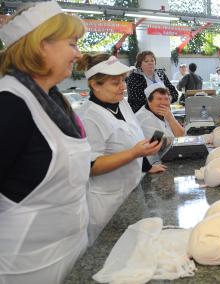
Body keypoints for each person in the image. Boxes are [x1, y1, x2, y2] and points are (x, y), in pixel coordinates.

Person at [0, 2, 90, 283]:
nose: (78, 54)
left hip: (70, 251)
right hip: (27, 264)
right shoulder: (10, 104)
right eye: (72, 44)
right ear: (41, 45)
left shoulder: (51, 99)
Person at [76, 54, 165, 244]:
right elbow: (91, 166)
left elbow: (131, 138)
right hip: (107, 204)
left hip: (131, 192)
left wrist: (146, 165)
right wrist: (134, 153)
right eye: (115, 83)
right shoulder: (89, 117)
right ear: (95, 84)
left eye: (123, 81)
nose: (123, 87)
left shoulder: (121, 104)